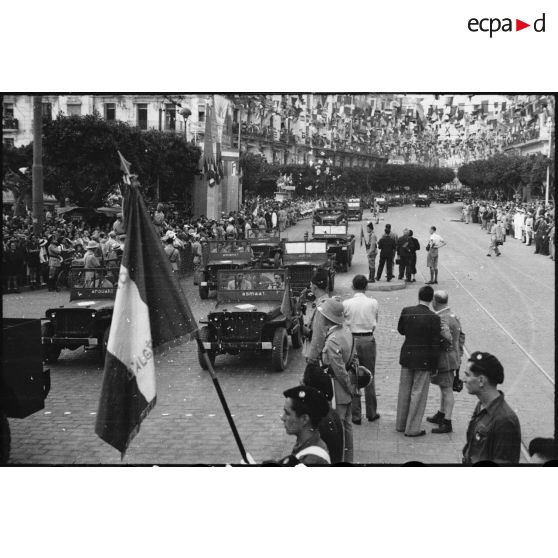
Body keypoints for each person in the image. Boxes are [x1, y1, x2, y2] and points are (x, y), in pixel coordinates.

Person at [396, 285, 441, 437]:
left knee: (404, 391)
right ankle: (412, 428)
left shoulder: (407, 310)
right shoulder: (434, 318)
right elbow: (435, 344)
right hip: (424, 360)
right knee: (418, 393)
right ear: (431, 299)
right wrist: (435, 366)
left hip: (407, 356)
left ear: (419, 296)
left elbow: (401, 330)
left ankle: (401, 424)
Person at [462, 351, 521, 464]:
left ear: (481, 380)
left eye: (468, 375)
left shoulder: (505, 420)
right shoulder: (482, 405)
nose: (464, 379)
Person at [319, 298, 355, 462]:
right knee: (347, 427)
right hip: (346, 388)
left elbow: (338, 369)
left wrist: (348, 387)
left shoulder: (333, 339)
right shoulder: (345, 331)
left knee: (337, 430)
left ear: (328, 318)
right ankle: (348, 459)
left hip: (338, 389)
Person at [343, 274, 380, 425]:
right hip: (368, 338)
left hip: (352, 340)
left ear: (353, 286)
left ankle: (356, 414)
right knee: (369, 375)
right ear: (366, 286)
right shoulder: (373, 302)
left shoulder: (346, 303)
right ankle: (371, 412)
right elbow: (375, 320)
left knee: (353, 375)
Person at [427, 290, 465, 434]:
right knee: (444, 387)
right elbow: (461, 338)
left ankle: (447, 422)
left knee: (447, 390)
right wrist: (459, 355)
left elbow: (446, 339)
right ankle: (441, 414)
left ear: (435, 302)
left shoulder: (441, 319)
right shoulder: (453, 316)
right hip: (453, 358)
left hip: (445, 359)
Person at [276, 386, 331, 465]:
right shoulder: (304, 443)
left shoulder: (312, 460)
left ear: (304, 419)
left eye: (287, 413)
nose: (282, 417)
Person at [304, 268, 331, 364]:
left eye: (311, 285)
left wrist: (311, 358)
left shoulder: (321, 307)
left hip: (319, 358)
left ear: (315, 287)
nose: (310, 287)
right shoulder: (326, 302)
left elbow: (318, 336)